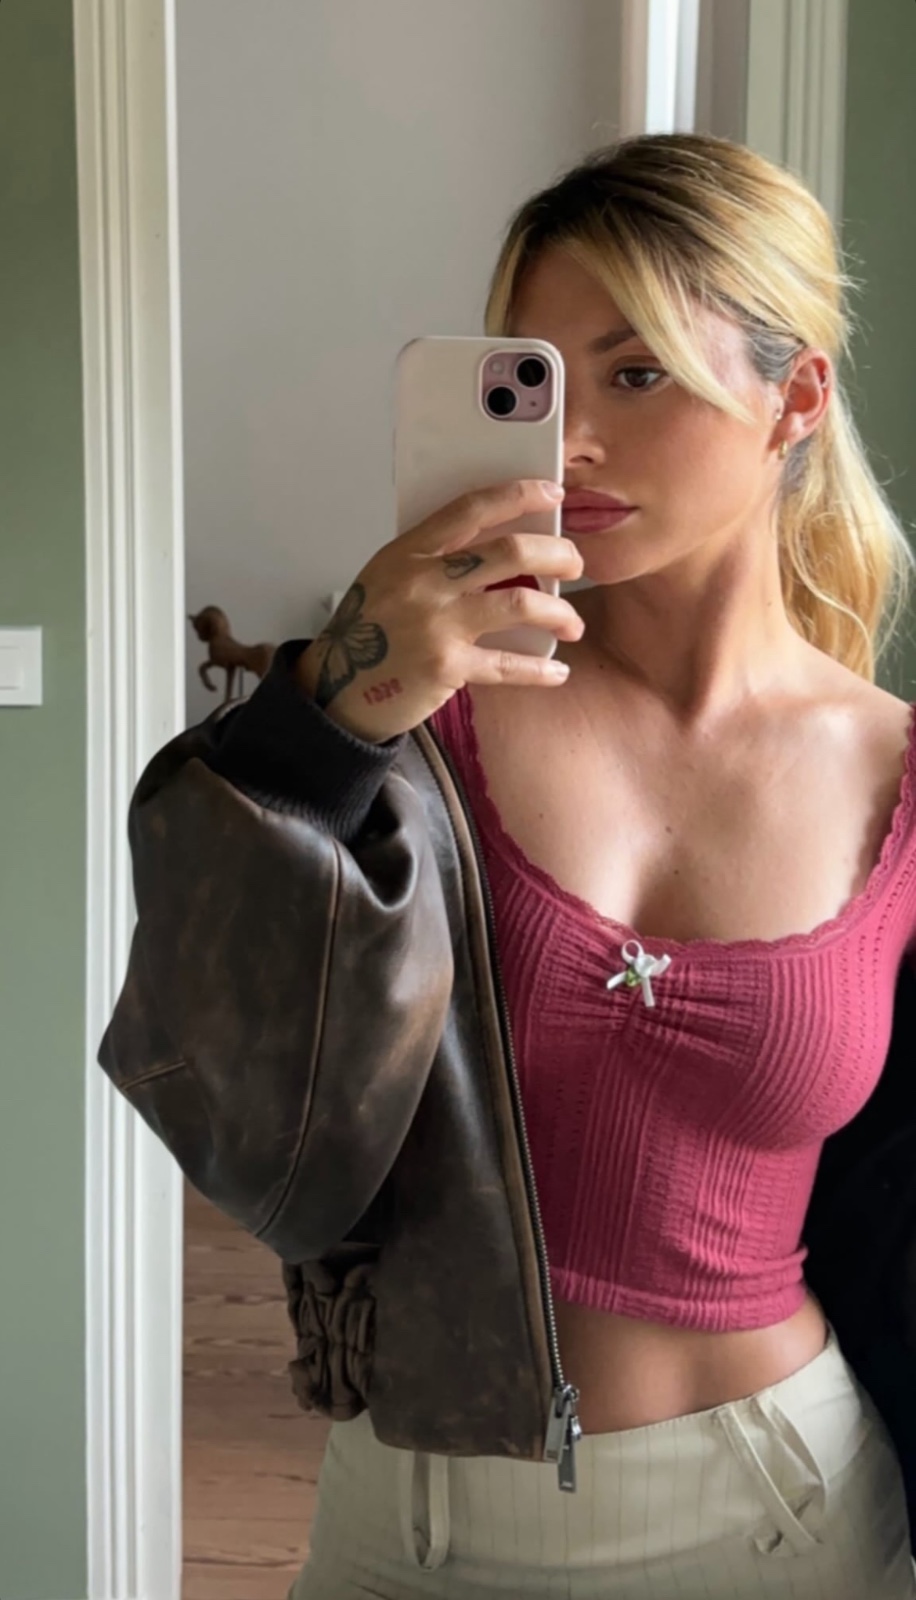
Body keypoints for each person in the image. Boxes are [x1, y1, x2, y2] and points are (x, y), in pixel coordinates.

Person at [100, 133, 916, 1597]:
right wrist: (331, 716)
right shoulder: (415, 726)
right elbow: (213, 1080)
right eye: (537, 378)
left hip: (777, 1512)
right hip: (411, 1516)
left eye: (638, 373)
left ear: (795, 398)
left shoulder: (892, 778)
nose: (573, 440)